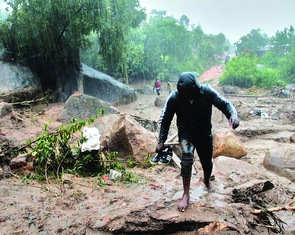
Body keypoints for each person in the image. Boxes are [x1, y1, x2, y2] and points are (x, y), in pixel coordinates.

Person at [155, 72, 240, 212]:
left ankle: (206, 180)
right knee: (186, 158)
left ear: (197, 89)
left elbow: (225, 103)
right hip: (186, 133)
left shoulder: (207, 91)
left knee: (207, 162)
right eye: (186, 95)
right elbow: (165, 120)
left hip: (204, 132)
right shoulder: (174, 98)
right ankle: (186, 194)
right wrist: (161, 140)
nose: (189, 97)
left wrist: (233, 115)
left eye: (191, 94)